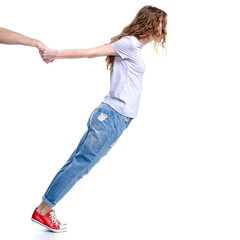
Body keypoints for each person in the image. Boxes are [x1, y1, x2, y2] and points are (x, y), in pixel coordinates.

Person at [31, 5, 168, 233]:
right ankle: (43, 210)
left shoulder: (134, 47)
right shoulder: (128, 43)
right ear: (152, 22)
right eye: (163, 24)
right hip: (110, 118)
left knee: (77, 163)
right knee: (79, 165)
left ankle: (44, 208)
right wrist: (55, 53)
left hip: (113, 120)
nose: (165, 30)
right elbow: (90, 51)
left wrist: (118, 131)